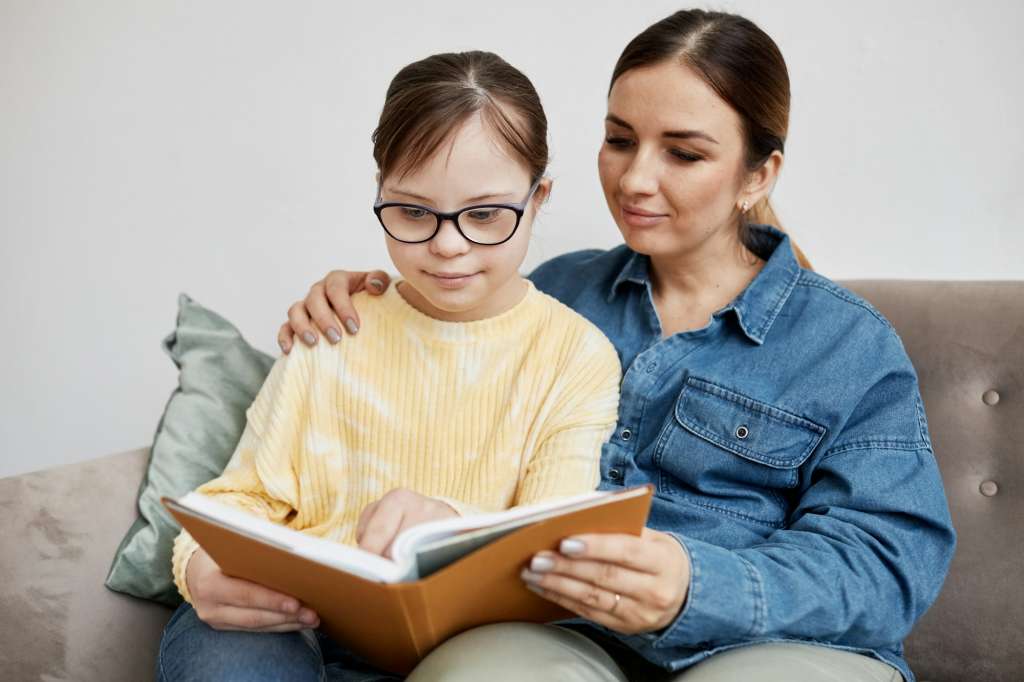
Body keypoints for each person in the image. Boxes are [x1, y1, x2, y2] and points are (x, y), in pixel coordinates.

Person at [279, 9, 956, 682]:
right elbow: (427, 394)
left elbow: (889, 565)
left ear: (758, 174)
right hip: (562, 636)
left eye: (683, 153)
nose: (634, 179)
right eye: (620, 140)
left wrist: (696, 586)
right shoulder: (554, 293)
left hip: (765, 645)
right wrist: (368, 302)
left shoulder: (848, 343)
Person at [156, 51, 623, 682]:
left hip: (466, 647)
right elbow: (241, 495)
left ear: (537, 199)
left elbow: (550, 540)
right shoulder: (337, 324)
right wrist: (198, 565)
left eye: (485, 214)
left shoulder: (575, 355)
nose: (448, 245)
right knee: (226, 660)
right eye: (413, 211)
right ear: (380, 191)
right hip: (294, 621)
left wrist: (450, 525)